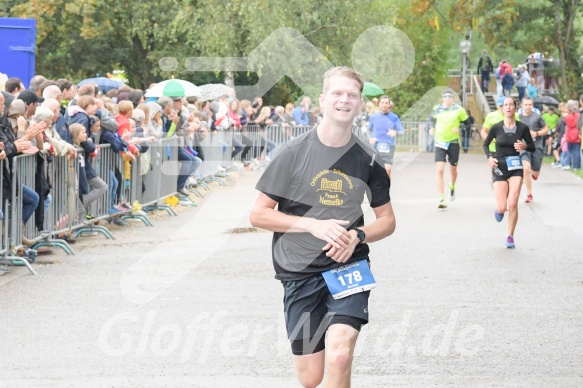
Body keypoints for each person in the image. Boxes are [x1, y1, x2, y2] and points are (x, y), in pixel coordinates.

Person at [249, 66, 395, 388]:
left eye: (352, 95)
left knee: (340, 355)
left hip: (348, 266)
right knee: (311, 378)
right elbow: (258, 214)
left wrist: (357, 235)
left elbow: (387, 221)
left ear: (359, 105)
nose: (344, 100)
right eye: (338, 93)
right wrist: (312, 226)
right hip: (298, 272)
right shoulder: (292, 153)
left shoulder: (369, 159)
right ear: (323, 100)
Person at [483, 97, 535, 248]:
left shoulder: (522, 128)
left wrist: (524, 146)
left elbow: (532, 146)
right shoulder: (496, 127)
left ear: (515, 108)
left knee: (512, 203)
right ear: (502, 108)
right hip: (499, 165)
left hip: (515, 166)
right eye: (505, 105)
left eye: (511, 105)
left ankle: (510, 236)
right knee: (501, 207)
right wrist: (490, 158)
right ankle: (499, 207)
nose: (508, 107)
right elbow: (485, 145)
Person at [428, 88, 471, 209]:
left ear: (453, 98)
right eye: (445, 97)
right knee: (440, 169)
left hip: (453, 143)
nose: (447, 99)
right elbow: (431, 120)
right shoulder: (437, 108)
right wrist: (431, 128)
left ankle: (452, 185)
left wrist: (460, 130)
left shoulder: (459, 109)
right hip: (439, 142)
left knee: (453, 170)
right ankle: (441, 198)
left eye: (450, 97)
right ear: (442, 98)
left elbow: (468, 124)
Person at [518, 97, 548, 203]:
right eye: (525, 104)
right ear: (522, 105)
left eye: (529, 105)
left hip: (536, 146)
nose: (527, 107)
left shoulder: (537, 117)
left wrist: (537, 133)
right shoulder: (518, 118)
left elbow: (546, 129)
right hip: (524, 147)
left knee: (535, 172)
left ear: (532, 105)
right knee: (526, 168)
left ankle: (534, 174)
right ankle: (529, 194)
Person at [367, 95, 404, 177]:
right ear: (379, 104)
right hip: (376, 147)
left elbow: (401, 131)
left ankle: (386, 189)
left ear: (389, 105)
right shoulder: (374, 117)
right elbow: (369, 130)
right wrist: (370, 138)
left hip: (389, 147)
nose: (384, 105)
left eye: (386, 103)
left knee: (387, 171)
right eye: (382, 103)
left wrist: (396, 132)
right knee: (375, 172)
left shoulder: (394, 117)